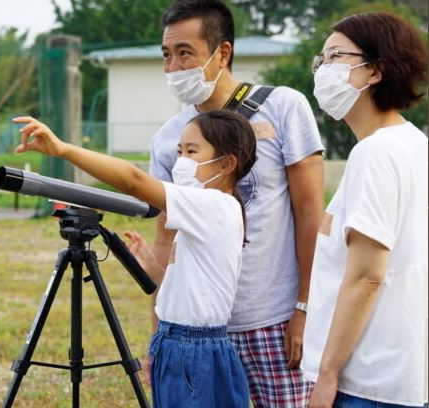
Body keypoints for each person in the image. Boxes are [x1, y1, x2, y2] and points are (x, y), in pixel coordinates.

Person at [13, 109, 257, 407]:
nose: (181, 161)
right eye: (179, 151)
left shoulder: (214, 205)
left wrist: (62, 149)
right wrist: (156, 270)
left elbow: (132, 180)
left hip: (192, 349)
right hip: (184, 343)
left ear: (227, 163)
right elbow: (195, 291)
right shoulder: (211, 211)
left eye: (192, 151)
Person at [148, 1, 325, 406]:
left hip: (273, 322)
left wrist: (305, 308)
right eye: (167, 55)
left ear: (222, 53)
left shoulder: (283, 107)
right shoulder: (168, 139)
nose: (173, 68)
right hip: (200, 335)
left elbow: (310, 214)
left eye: (185, 53)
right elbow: (166, 242)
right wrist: (158, 331)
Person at [301, 12, 428, 408]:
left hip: (368, 382)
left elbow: (367, 276)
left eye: (335, 56)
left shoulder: (375, 152)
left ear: (375, 71)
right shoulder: (414, 143)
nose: (323, 70)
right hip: (404, 372)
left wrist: (327, 374)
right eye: (319, 60)